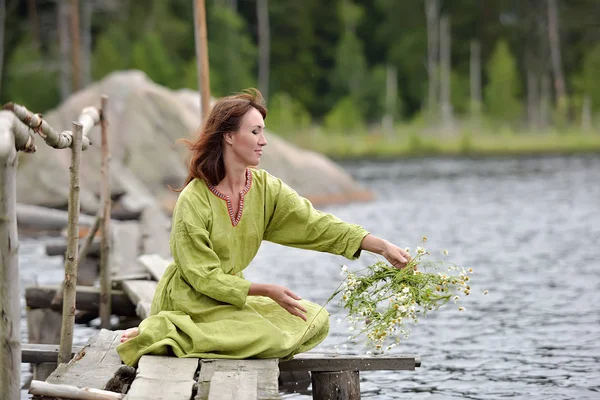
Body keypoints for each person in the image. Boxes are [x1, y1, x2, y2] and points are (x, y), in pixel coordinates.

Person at [116, 89, 411, 367]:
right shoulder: (194, 199)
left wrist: (380, 246)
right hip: (190, 301)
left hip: (232, 299)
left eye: (263, 132)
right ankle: (167, 331)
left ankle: (203, 339)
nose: (263, 140)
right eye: (255, 132)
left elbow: (315, 224)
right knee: (270, 335)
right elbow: (202, 277)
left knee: (315, 318)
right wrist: (265, 290)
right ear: (229, 136)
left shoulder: (265, 188)